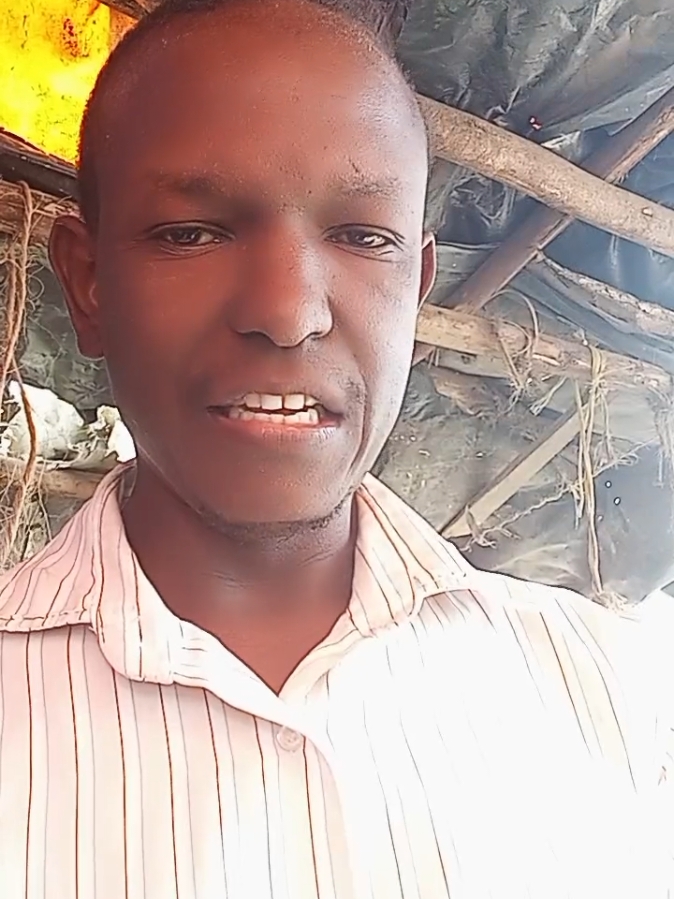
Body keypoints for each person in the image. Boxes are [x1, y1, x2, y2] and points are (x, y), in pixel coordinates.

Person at [0, 0, 671, 895]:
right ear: (88, 284)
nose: (288, 312)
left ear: (417, 290)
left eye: (362, 237)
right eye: (191, 233)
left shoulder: (613, 700)